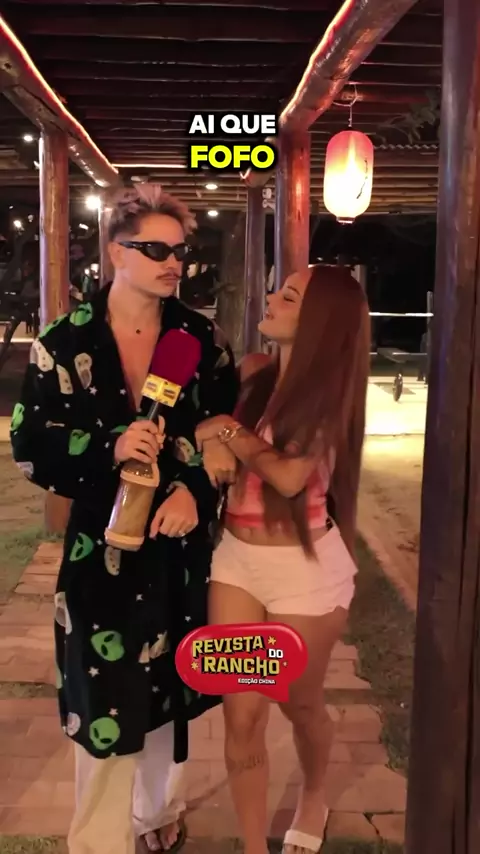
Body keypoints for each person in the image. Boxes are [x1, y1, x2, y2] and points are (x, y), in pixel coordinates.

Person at [10, 184, 239, 854]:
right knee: (100, 696)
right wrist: (107, 448)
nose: (174, 263)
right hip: (98, 554)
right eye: (156, 250)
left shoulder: (201, 339)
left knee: (172, 685)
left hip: (178, 550)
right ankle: (99, 840)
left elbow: (222, 430)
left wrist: (194, 491)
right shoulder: (64, 342)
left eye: (180, 251)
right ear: (116, 252)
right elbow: (31, 444)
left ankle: (158, 815)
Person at [195, 264, 371, 854]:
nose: (272, 298)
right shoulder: (253, 374)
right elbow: (203, 428)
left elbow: (291, 477)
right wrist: (210, 434)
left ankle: (314, 794)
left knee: (299, 703)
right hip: (236, 565)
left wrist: (226, 432)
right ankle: (252, 845)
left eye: (289, 296)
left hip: (304, 574)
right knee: (241, 716)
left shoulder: (333, 393)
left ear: (318, 320)